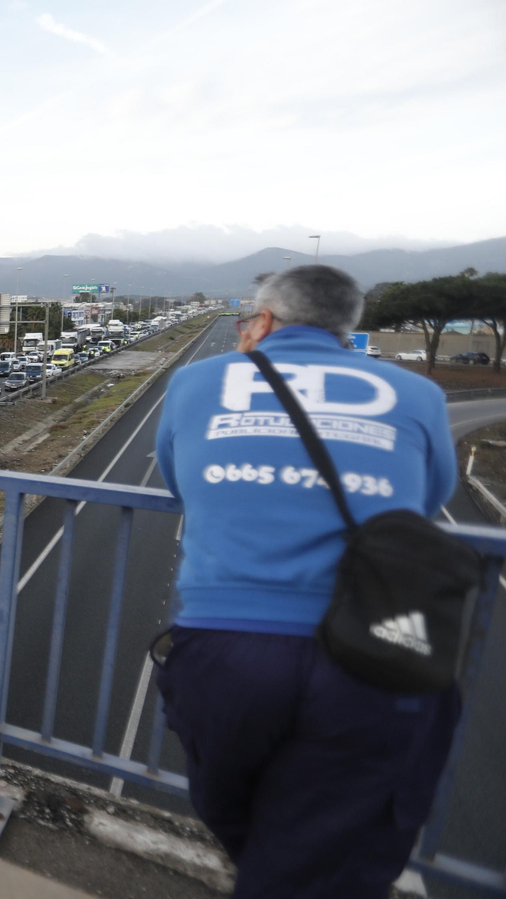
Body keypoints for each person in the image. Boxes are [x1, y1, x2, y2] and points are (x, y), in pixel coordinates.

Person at [153, 265, 459, 898]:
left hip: (222, 646)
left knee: (230, 805)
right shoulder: (416, 393)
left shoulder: (196, 382)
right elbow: (425, 505)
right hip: (369, 650)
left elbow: (178, 481)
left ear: (262, 321)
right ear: (349, 329)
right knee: (319, 846)